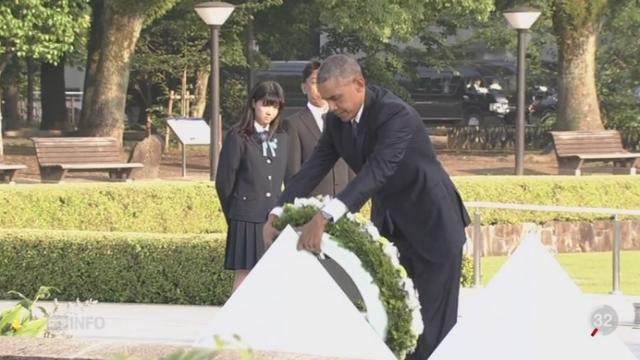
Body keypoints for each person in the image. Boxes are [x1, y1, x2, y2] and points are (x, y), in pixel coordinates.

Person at [263, 55, 470, 359]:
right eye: (327, 100)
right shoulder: (335, 122)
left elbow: (378, 170)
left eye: (336, 98)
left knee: (431, 332)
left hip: (434, 226)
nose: (331, 107)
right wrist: (278, 211)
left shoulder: (396, 114)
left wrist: (324, 216)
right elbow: (313, 169)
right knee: (393, 322)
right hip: (392, 227)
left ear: (359, 84)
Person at [216, 80, 287, 292]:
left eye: (275, 107)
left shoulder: (282, 137)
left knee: (273, 274)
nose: (270, 111)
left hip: (273, 216)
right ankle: (235, 323)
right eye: (266, 104)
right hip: (246, 216)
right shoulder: (238, 136)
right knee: (245, 274)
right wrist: (235, 213)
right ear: (254, 103)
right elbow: (224, 181)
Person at [284, 60, 353, 196]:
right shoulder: (294, 124)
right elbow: (293, 171)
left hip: (342, 203)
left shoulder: (344, 119)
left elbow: (351, 164)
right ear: (304, 87)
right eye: (315, 82)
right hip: (312, 204)